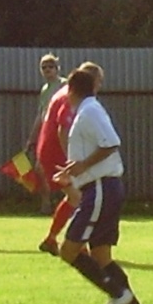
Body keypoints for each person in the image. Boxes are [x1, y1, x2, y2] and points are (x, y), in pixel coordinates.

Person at [53, 69, 151, 304]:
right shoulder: (87, 110)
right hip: (99, 187)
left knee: (69, 250)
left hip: (100, 188)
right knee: (101, 256)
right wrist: (73, 173)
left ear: (71, 88)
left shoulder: (89, 111)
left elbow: (110, 143)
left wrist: (82, 167)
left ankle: (118, 294)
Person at [35, 62, 102, 256]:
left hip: (50, 152)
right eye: (98, 81)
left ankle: (52, 239)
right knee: (80, 198)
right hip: (56, 154)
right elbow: (62, 128)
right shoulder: (71, 97)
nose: (99, 86)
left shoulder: (67, 92)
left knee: (75, 198)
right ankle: (76, 244)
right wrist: (70, 160)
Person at [26, 53, 67, 215]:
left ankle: (72, 202)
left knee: (65, 168)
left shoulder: (64, 85)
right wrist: (32, 137)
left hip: (61, 130)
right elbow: (41, 114)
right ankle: (46, 204)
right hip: (46, 132)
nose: (47, 70)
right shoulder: (45, 89)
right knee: (40, 168)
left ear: (57, 68)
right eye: (44, 67)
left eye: (51, 66)